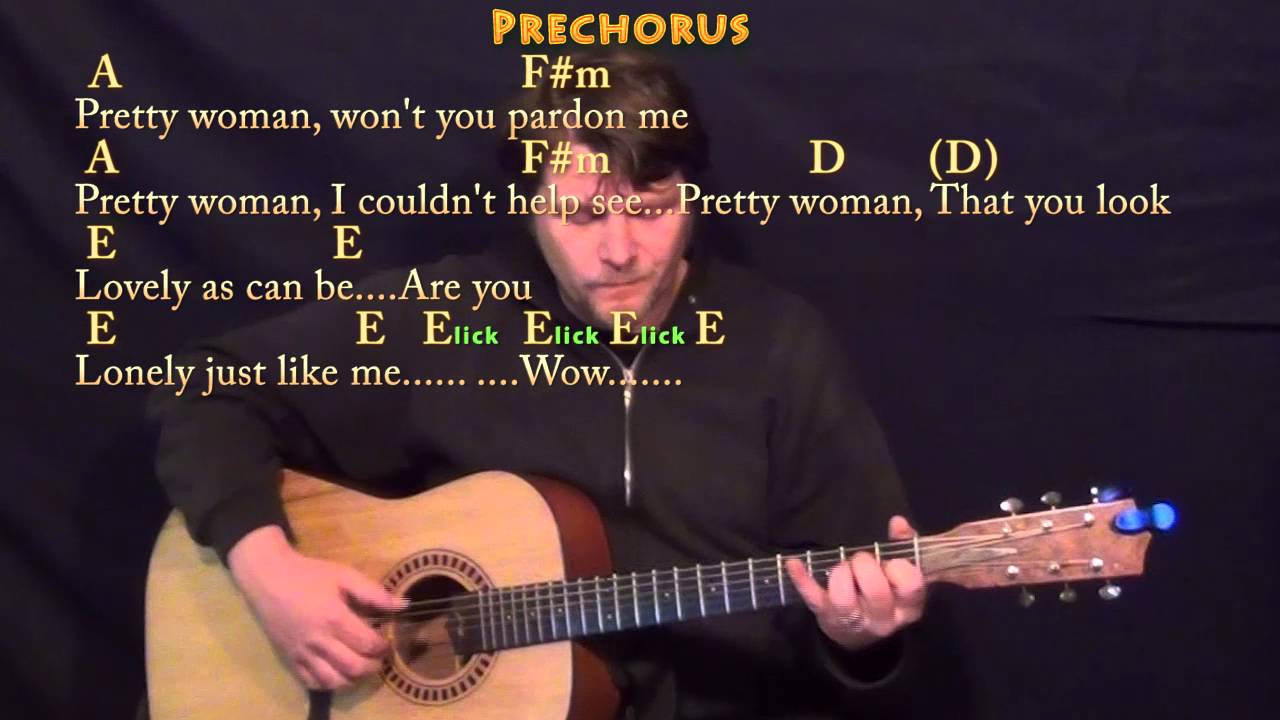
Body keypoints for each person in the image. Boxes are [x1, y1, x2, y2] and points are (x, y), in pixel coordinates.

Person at [149, 49, 927, 719]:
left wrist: (859, 640)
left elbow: (860, 607)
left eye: (651, 209)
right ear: (529, 209)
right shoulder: (452, 316)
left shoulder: (782, 347)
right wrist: (269, 570)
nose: (621, 250)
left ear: (692, 195)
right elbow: (205, 388)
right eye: (582, 217)